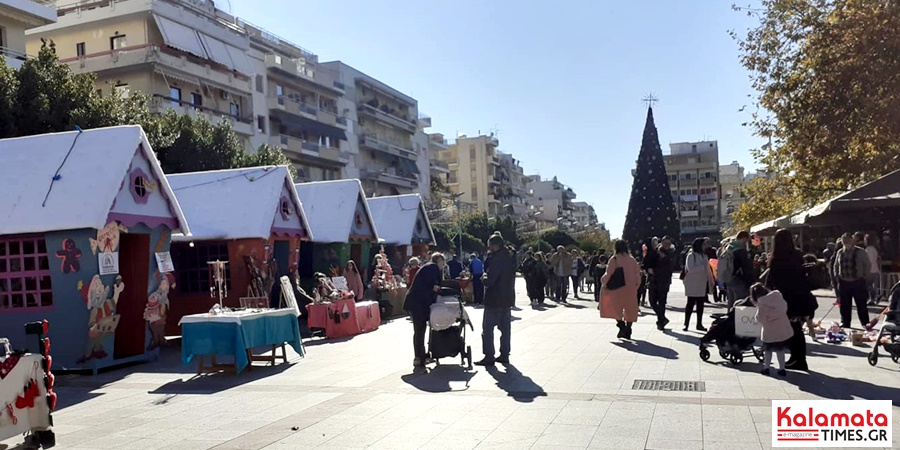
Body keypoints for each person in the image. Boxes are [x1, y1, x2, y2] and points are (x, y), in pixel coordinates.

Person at [768, 228, 818, 371]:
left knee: (793, 329)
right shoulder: (797, 254)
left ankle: (799, 360)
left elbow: (773, 280)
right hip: (800, 296)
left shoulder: (777, 257)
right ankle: (797, 358)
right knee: (795, 328)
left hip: (786, 298)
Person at [475, 234, 516, 366]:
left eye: (490, 245)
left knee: (487, 330)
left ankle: (489, 356)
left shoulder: (497, 259)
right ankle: (504, 354)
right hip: (507, 298)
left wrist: (483, 278)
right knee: (505, 329)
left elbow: (490, 280)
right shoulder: (510, 257)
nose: (488, 248)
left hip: (494, 299)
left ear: (495, 245)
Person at [403, 253, 445, 367]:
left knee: (419, 330)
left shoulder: (428, 267)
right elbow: (434, 285)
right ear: (438, 261)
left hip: (417, 302)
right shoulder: (433, 267)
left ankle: (420, 356)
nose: (443, 265)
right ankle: (419, 357)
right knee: (420, 330)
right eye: (442, 262)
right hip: (418, 303)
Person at [599, 240, 641, 339]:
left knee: (614, 308)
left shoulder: (614, 259)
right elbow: (637, 275)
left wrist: (603, 282)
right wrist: (636, 286)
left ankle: (622, 326)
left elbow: (609, 274)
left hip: (617, 289)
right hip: (630, 289)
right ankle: (628, 328)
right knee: (630, 309)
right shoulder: (632, 260)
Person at [752, 284, 792, 377]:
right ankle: (782, 369)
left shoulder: (762, 304)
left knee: (768, 350)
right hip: (782, 327)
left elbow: (760, 318)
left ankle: (766, 368)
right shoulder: (778, 297)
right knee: (780, 350)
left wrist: (755, 318)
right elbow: (785, 308)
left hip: (770, 330)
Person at [833, 232, 871, 329]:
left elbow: (867, 264)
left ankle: (865, 323)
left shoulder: (860, 251)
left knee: (861, 304)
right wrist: (837, 276)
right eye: (843, 240)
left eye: (848, 239)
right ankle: (845, 323)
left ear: (852, 240)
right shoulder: (840, 252)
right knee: (844, 305)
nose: (845, 241)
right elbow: (836, 265)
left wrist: (864, 276)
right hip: (844, 282)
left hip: (857, 281)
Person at [645, 236, 676, 330]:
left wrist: (654, 270)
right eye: (665, 243)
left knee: (662, 303)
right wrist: (647, 269)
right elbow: (647, 261)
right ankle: (662, 318)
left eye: (669, 243)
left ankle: (660, 323)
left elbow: (669, 268)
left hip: (664, 281)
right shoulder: (655, 251)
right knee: (652, 301)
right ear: (661, 242)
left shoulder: (672, 253)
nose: (667, 245)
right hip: (653, 280)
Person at [683, 238, 712, 332]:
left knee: (700, 304)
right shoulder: (691, 255)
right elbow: (690, 269)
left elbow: (708, 270)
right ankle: (686, 324)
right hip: (692, 283)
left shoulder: (704, 256)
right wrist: (702, 267)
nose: (705, 246)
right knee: (690, 304)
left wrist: (711, 280)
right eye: (703, 244)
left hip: (701, 282)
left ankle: (699, 324)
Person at [723, 231, 756, 308]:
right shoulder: (741, 250)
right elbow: (746, 267)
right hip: (740, 279)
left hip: (729, 278)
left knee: (731, 302)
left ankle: (729, 318)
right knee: (740, 303)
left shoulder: (729, 247)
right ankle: (735, 319)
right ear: (745, 238)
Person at [865, 234, 881, 305]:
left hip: (870, 270)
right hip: (875, 269)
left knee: (867, 285)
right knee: (874, 285)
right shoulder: (874, 249)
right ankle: (873, 298)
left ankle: (875, 296)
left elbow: (869, 260)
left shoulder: (868, 249)